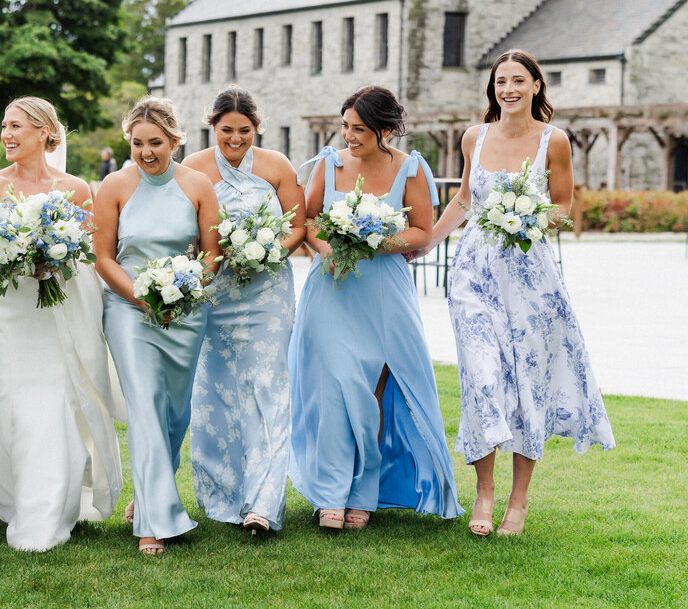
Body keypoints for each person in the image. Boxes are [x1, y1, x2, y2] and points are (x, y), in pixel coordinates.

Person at [410, 50, 614, 537]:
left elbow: (563, 207)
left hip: (530, 277)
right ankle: (484, 492)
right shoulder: (473, 137)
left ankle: (518, 502)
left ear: (536, 86)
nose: (509, 89)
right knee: (481, 376)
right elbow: (463, 198)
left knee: (527, 385)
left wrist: (527, 216)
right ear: (493, 88)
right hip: (475, 272)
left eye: (518, 80)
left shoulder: (554, 141)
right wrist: (425, 244)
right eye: (501, 81)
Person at [288, 86, 461, 531]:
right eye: (345, 126)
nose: (348, 136)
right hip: (332, 290)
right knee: (334, 387)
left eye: (359, 129)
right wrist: (330, 249)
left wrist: (374, 242)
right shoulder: (328, 164)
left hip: (384, 293)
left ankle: (364, 493)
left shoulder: (411, 169)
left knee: (374, 393)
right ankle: (330, 492)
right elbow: (307, 221)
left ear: (385, 129)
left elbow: (422, 232)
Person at [0, 97, 124, 552]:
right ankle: (5, 498)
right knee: (7, 401)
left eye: (16, 126)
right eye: (4, 126)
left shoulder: (74, 188)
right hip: (6, 312)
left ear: (45, 133)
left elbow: (88, 252)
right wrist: (16, 255)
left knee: (50, 407)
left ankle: (44, 512)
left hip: (54, 313)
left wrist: (50, 262)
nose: (6, 135)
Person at [95, 97, 221, 555]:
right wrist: (141, 297)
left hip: (186, 311)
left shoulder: (199, 185)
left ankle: (148, 495)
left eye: (155, 143)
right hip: (128, 309)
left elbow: (211, 256)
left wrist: (185, 290)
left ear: (174, 140)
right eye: (137, 143)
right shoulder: (114, 185)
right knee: (145, 405)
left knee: (173, 412)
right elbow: (103, 257)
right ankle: (154, 521)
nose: (146, 152)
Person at [181, 87, 305, 535]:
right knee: (213, 390)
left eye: (245, 131)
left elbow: (298, 227)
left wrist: (267, 251)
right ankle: (223, 493)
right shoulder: (192, 167)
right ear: (212, 127)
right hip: (215, 291)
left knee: (268, 387)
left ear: (257, 128)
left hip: (267, 291)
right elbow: (184, 229)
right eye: (227, 130)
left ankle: (264, 503)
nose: (235, 139)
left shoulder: (277, 167)